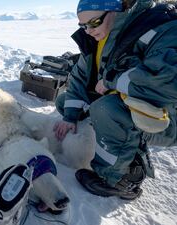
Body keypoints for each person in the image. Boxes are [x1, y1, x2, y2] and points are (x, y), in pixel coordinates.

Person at [54, 0, 177, 200]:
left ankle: (120, 180)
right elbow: (78, 77)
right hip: (129, 102)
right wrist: (69, 117)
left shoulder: (162, 25)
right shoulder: (100, 36)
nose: (87, 31)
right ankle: (112, 137)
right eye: (82, 26)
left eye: (93, 23)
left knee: (106, 109)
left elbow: (168, 81)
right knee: (66, 102)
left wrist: (113, 81)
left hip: (167, 115)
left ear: (116, 9)